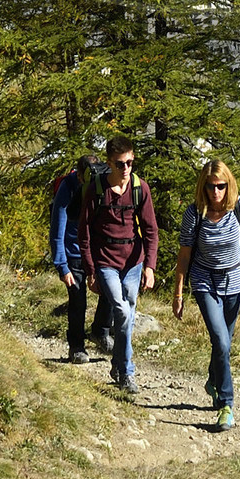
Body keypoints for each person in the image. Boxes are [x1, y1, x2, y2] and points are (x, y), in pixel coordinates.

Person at [172, 157, 240, 429]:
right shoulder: (194, 213)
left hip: (235, 282)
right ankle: (226, 404)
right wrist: (178, 293)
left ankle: (213, 379)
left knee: (224, 344)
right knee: (221, 341)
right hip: (204, 281)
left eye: (221, 186)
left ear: (228, 185)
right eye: (211, 186)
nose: (216, 192)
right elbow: (184, 254)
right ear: (203, 186)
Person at [79, 132, 158, 398]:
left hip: (133, 262)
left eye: (130, 163)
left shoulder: (139, 188)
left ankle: (119, 367)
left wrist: (149, 266)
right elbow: (84, 232)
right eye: (120, 164)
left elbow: (150, 230)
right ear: (109, 163)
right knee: (123, 310)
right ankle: (127, 371)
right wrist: (91, 270)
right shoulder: (96, 190)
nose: (126, 168)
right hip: (106, 261)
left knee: (128, 313)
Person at [49, 152, 112, 363]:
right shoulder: (68, 187)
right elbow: (57, 227)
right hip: (73, 253)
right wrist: (62, 266)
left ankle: (101, 331)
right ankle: (76, 347)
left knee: (110, 289)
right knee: (78, 300)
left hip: (96, 252)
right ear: (78, 175)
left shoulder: (102, 183)